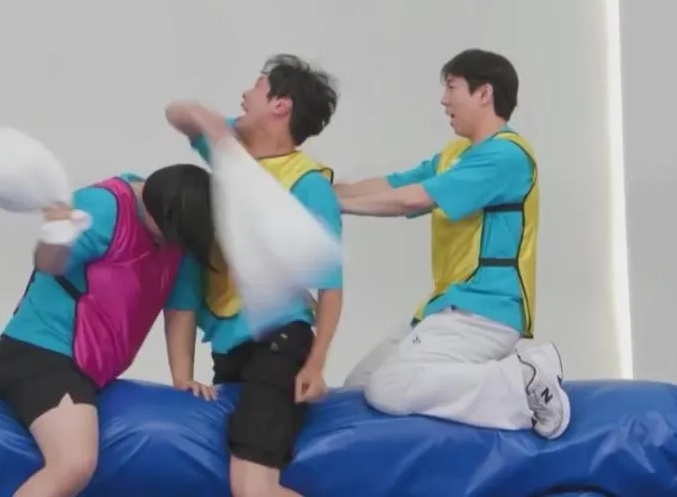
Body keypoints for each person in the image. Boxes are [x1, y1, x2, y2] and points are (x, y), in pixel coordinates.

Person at [335, 49, 569, 439]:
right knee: (356, 388)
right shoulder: (456, 154)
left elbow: (414, 199)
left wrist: (334, 206)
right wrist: (319, 190)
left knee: (387, 387)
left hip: (485, 311)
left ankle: (524, 382)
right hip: (447, 306)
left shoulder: (507, 155)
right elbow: (395, 184)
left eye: (451, 87)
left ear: (484, 93)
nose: (444, 100)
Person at [164, 54, 343, 497]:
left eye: (257, 88)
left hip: (280, 342)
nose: (244, 95)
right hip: (230, 352)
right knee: (241, 483)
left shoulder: (308, 184)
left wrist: (316, 365)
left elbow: (331, 287)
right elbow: (176, 113)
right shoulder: (230, 151)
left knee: (252, 487)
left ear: (281, 105)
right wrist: (182, 377)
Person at [0, 165, 212, 497]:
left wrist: (183, 378)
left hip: (89, 370)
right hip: (40, 354)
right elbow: (48, 264)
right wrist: (56, 234)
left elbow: (180, 307)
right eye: (163, 235)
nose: (166, 245)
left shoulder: (182, 231)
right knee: (74, 463)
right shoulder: (102, 207)